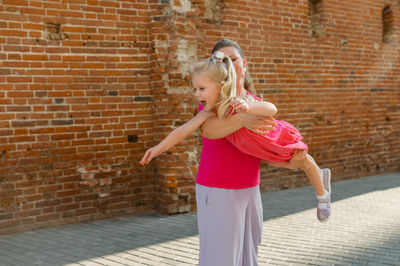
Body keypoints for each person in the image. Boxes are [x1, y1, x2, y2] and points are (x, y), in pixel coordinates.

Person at [141, 40, 330, 266]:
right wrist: (159, 147)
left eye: (233, 60)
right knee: (220, 260)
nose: (229, 65)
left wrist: (289, 163)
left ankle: (321, 187)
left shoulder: (252, 102)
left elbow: (260, 147)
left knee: (248, 259)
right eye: (223, 61)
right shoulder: (211, 103)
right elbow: (204, 131)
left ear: (244, 64)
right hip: (219, 188)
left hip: (250, 190)